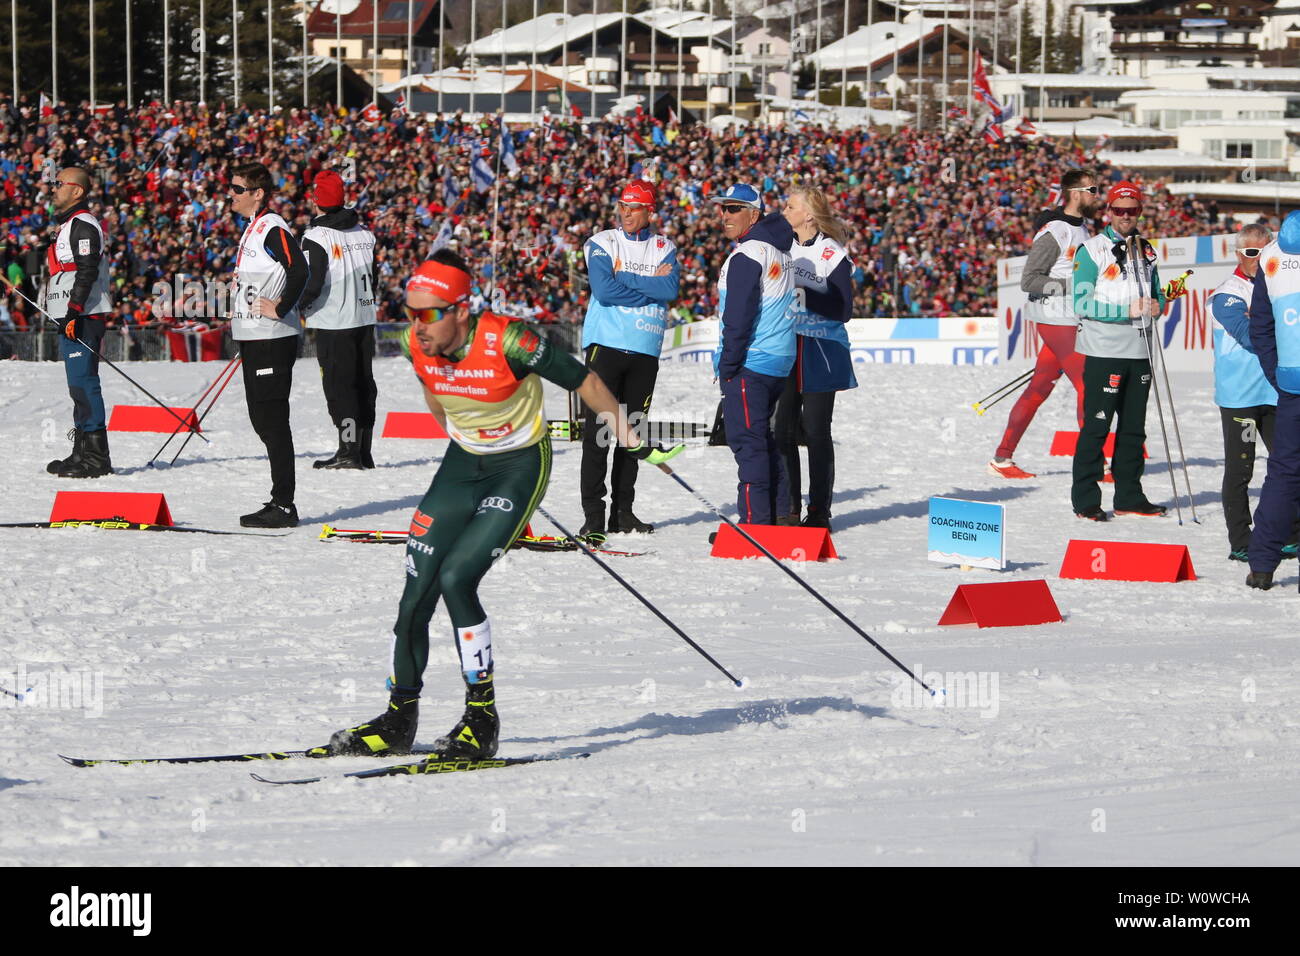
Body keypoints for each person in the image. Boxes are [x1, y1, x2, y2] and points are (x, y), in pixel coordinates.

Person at [314, 250, 683, 759]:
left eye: (429, 313)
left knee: (456, 578)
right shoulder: (410, 342)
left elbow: (587, 383)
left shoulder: (512, 339)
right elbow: (433, 394)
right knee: (414, 593)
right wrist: (467, 432)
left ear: (461, 310)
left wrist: (629, 436)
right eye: (410, 312)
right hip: (463, 463)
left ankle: (481, 719)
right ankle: (399, 717)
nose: (416, 326)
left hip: (518, 467)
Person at [578, 179, 681, 535]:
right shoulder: (602, 241)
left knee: (633, 434)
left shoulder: (664, 246)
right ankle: (593, 518)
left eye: (634, 207)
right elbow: (604, 290)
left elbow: (670, 288)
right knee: (597, 436)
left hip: (645, 349)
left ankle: (624, 512)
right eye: (623, 205)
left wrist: (625, 278)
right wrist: (646, 284)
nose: (626, 212)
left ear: (649, 211)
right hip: (605, 346)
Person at [990, 169, 1101, 479]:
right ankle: (1095, 465)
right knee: (1089, 388)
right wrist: (1072, 286)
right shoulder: (1055, 231)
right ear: (1075, 193)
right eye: (1092, 190)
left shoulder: (1084, 229)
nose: (1097, 196)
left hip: (1070, 317)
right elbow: (1030, 281)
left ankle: (1002, 458)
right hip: (1055, 317)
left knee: (1039, 388)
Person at [1069, 181, 1167, 521]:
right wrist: (1126, 310)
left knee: (1134, 429)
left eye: (1133, 210)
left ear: (1140, 211)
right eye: (1119, 210)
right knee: (1097, 427)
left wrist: (1158, 304)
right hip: (1104, 350)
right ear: (1109, 211)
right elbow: (1080, 302)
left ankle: (1129, 496)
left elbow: (1157, 294)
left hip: (1139, 351)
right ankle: (1086, 500)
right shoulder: (1091, 250)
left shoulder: (1148, 250)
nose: (1126, 216)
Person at [1210, 223, 1299, 563]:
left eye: (1264, 252)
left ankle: (1291, 535)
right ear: (1238, 254)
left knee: (1288, 466)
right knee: (1240, 470)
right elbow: (1251, 336)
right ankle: (1241, 539)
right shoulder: (1227, 293)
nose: (1258, 259)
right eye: (1251, 253)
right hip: (1240, 397)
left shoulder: (1278, 285)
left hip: (1276, 393)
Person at [227, 162, 309, 528]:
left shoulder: (273, 227)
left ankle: (284, 504)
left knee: (273, 420)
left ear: (258, 193)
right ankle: (280, 500)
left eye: (238, 188)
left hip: (272, 337)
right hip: (254, 336)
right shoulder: (253, 228)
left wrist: (281, 306)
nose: (232, 193)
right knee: (261, 418)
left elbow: (300, 270)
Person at [712, 183, 797, 526]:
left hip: (752, 361)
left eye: (734, 208)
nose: (725, 215)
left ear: (755, 213)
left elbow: (739, 317)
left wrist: (728, 365)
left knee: (748, 442)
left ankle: (755, 524)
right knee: (767, 440)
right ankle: (779, 515)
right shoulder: (780, 249)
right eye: (723, 208)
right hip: (779, 360)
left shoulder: (748, 254)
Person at [773, 186, 856, 530]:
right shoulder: (779, 247)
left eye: (790, 206)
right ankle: (788, 507)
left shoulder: (831, 252)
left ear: (808, 214)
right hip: (788, 345)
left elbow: (843, 308)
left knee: (816, 431)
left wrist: (804, 292)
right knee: (782, 431)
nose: (784, 209)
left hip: (822, 348)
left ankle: (819, 511)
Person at [298, 169, 379, 470]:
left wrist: (292, 306)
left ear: (316, 200)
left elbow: (312, 282)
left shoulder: (316, 236)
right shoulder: (364, 233)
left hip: (334, 320)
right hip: (364, 317)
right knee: (363, 383)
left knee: (338, 386)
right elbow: (376, 277)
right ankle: (363, 451)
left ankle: (348, 451)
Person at [42, 167, 115, 478]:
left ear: (77, 191)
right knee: (76, 385)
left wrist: (73, 310)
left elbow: (87, 269)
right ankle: (81, 451)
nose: (53, 188)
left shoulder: (84, 225)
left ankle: (97, 459)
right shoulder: (68, 225)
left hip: (83, 315)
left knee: (85, 383)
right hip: (71, 315)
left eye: (59, 184)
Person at [1245, 210, 1300, 590]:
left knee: (1283, 474)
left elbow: (1260, 326)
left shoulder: (1270, 256)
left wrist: (1275, 372)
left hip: (1292, 380)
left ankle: (1262, 564)